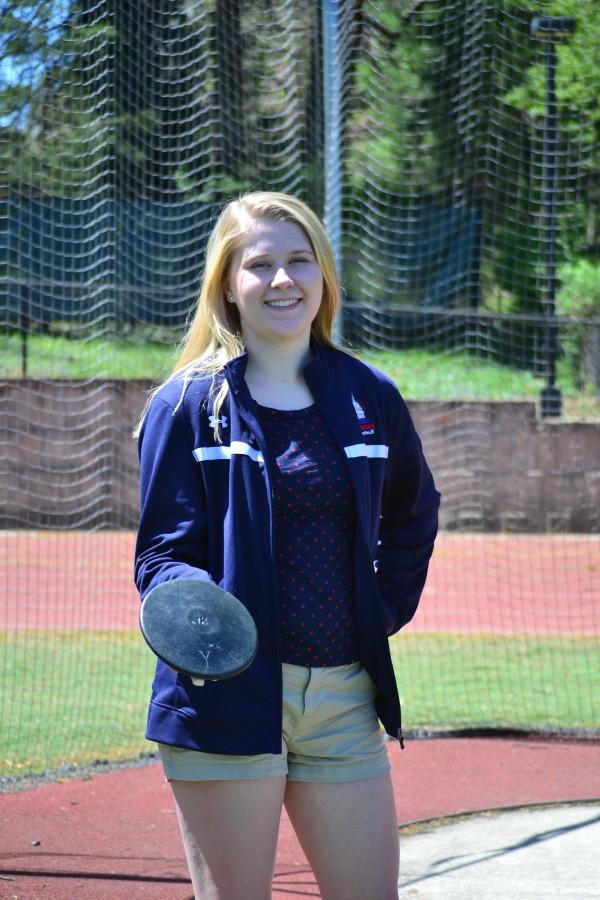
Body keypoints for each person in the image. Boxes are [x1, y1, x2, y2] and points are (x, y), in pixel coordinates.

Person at [134, 191, 440, 900]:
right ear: (228, 286)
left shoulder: (370, 394)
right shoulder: (186, 404)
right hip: (226, 700)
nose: (282, 280)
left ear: (323, 276)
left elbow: (414, 513)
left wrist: (382, 607)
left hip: (343, 699)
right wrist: (206, 628)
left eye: (300, 261)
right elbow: (161, 554)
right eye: (260, 264)